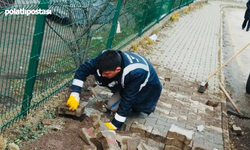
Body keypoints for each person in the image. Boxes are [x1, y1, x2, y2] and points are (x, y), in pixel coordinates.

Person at [66, 49, 162, 130]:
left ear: (118, 69)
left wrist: (115, 124)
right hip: (128, 81)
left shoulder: (136, 73)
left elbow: (128, 98)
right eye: (102, 72)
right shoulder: (103, 59)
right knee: (113, 103)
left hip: (147, 89)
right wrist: (75, 94)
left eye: (107, 74)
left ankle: (137, 107)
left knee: (119, 106)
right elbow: (83, 70)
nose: (103, 75)